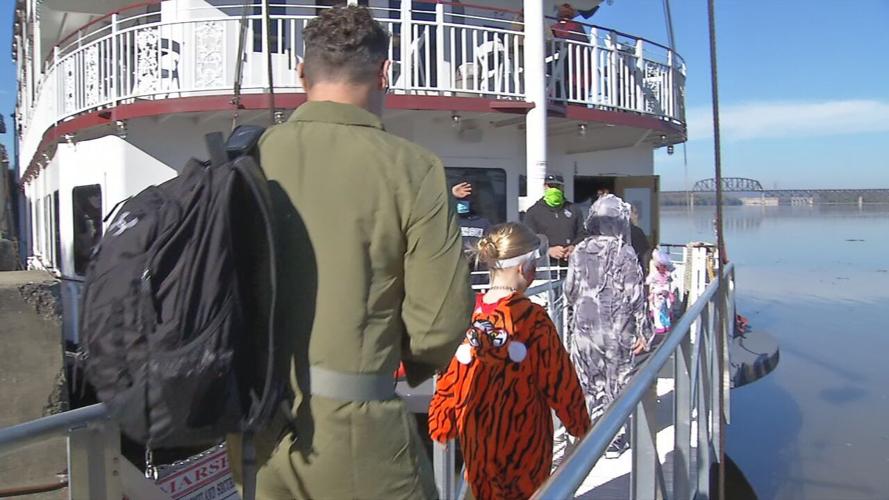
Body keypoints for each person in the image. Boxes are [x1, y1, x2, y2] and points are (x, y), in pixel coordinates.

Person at [228, 7, 474, 499]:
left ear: (302, 74)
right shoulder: (415, 169)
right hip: (357, 438)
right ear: (385, 73)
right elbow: (438, 327)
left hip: (254, 436)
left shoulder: (246, 160)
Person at [428, 222, 590, 499]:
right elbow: (560, 381)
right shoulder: (533, 319)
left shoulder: (467, 312)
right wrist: (580, 427)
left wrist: (442, 423)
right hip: (525, 444)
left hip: (478, 439)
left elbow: (451, 374)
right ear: (524, 268)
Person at [564, 194, 652, 458]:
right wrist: (643, 331)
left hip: (584, 330)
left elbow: (569, 291)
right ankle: (613, 440)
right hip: (616, 331)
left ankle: (588, 433)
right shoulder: (623, 251)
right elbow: (635, 295)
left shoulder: (579, 250)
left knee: (588, 383)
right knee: (617, 383)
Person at [523, 174, 587, 271]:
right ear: (545, 186)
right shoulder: (533, 212)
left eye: (557, 186)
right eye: (551, 186)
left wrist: (573, 247)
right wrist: (548, 251)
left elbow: (582, 234)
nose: (554, 189)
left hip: (571, 265)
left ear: (562, 188)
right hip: (544, 267)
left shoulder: (574, 209)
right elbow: (528, 240)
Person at [452, 181, 492, 285]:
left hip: (479, 276)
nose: (462, 204)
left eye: (466, 200)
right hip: (456, 273)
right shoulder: (450, 221)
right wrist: (451, 194)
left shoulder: (483, 223)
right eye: (459, 201)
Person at [646, 248, 675, 337]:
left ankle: (664, 325)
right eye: (662, 266)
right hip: (660, 295)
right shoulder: (658, 275)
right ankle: (662, 325)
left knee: (662, 310)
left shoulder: (664, 275)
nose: (663, 268)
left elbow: (670, 282)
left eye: (664, 266)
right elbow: (648, 282)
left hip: (662, 295)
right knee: (660, 310)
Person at [629, 203, 652, 273]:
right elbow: (645, 252)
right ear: (629, 214)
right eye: (635, 213)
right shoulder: (637, 232)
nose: (637, 216)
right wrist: (646, 269)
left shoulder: (616, 231)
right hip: (635, 271)